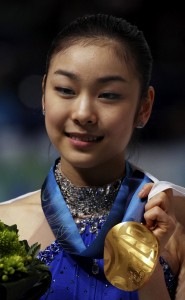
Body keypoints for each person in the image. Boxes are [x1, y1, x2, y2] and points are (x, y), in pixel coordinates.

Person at [0, 13, 185, 300]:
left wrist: (148, 271)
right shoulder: (5, 224)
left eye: (108, 95)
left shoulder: (177, 222)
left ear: (144, 107)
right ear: (43, 95)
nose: (83, 113)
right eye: (65, 90)